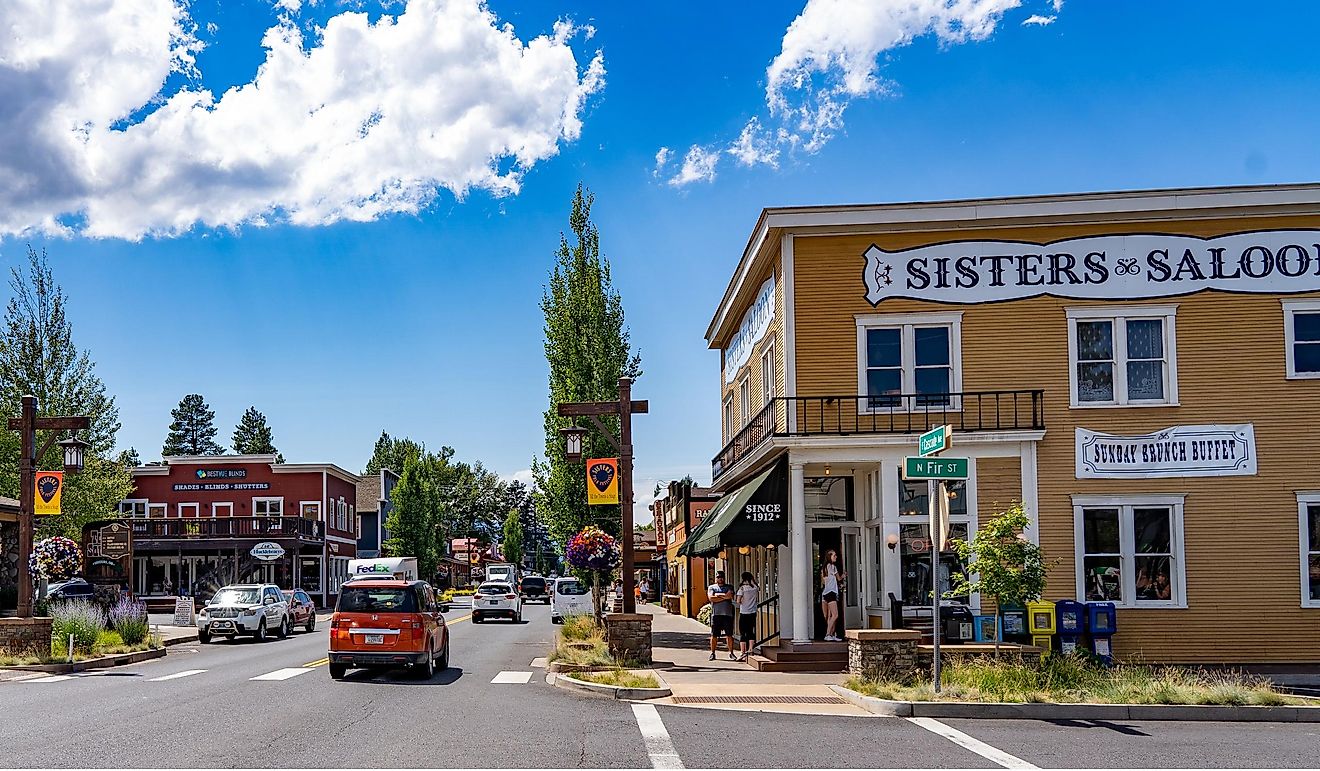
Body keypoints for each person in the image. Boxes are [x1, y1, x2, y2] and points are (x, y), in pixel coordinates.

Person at [707, 570, 737, 661]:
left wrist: (718, 596)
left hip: (727, 614)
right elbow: (711, 598)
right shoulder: (712, 587)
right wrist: (724, 596)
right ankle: (712, 653)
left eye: (722, 577)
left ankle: (731, 653)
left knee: (729, 635)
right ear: (716, 578)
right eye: (718, 577)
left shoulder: (729, 587)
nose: (720, 579)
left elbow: (730, 596)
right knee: (714, 635)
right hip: (716, 614)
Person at [820, 549, 845, 641]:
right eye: (834, 555)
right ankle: (828, 634)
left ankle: (832, 634)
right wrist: (843, 575)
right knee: (835, 615)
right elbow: (838, 578)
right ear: (829, 556)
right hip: (831, 592)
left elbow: (824, 581)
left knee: (829, 616)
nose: (836, 557)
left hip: (825, 593)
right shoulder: (832, 566)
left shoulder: (824, 568)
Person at [735, 572, 759, 661]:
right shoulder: (755, 587)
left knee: (743, 632)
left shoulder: (742, 588)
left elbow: (738, 600)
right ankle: (751, 649)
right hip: (752, 611)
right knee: (750, 631)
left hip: (744, 612)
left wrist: (742, 601)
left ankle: (742, 651)